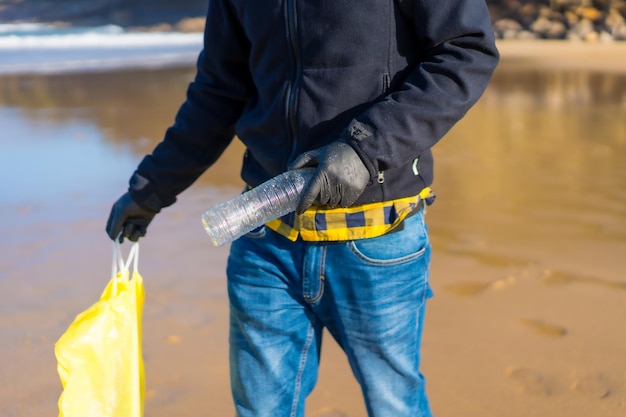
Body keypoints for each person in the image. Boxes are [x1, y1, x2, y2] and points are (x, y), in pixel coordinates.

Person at [106, 0, 499, 415]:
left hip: (378, 238)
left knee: (394, 404)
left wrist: (365, 148)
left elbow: (466, 48)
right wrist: (150, 189)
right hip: (265, 238)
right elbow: (219, 91)